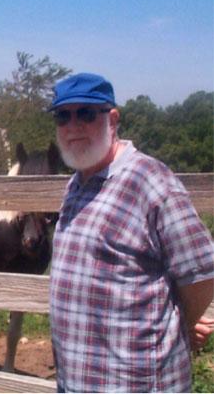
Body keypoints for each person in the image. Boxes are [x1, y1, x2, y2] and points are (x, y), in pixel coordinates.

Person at [48, 73, 214, 392]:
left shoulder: (151, 181)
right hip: (79, 380)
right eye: (62, 116)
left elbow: (202, 275)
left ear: (113, 119)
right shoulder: (77, 184)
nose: (73, 125)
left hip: (133, 383)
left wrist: (178, 328)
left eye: (85, 113)